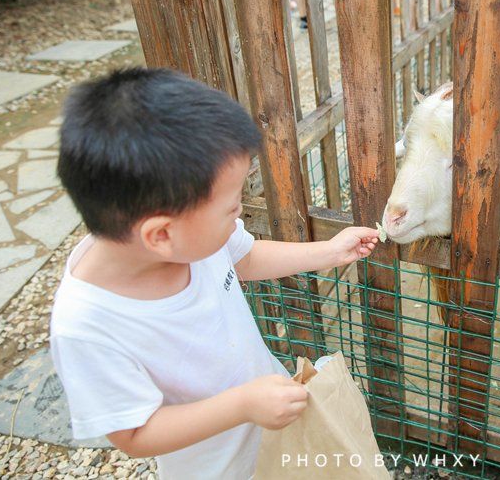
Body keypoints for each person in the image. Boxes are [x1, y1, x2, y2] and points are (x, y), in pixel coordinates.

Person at [50, 67, 380, 479]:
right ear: (161, 235)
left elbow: (244, 257)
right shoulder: (87, 326)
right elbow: (134, 433)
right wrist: (242, 405)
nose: (239, 213)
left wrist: (328, 252)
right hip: (221, 468)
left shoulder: (191, 241)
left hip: (277, 433)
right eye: (231, 208)